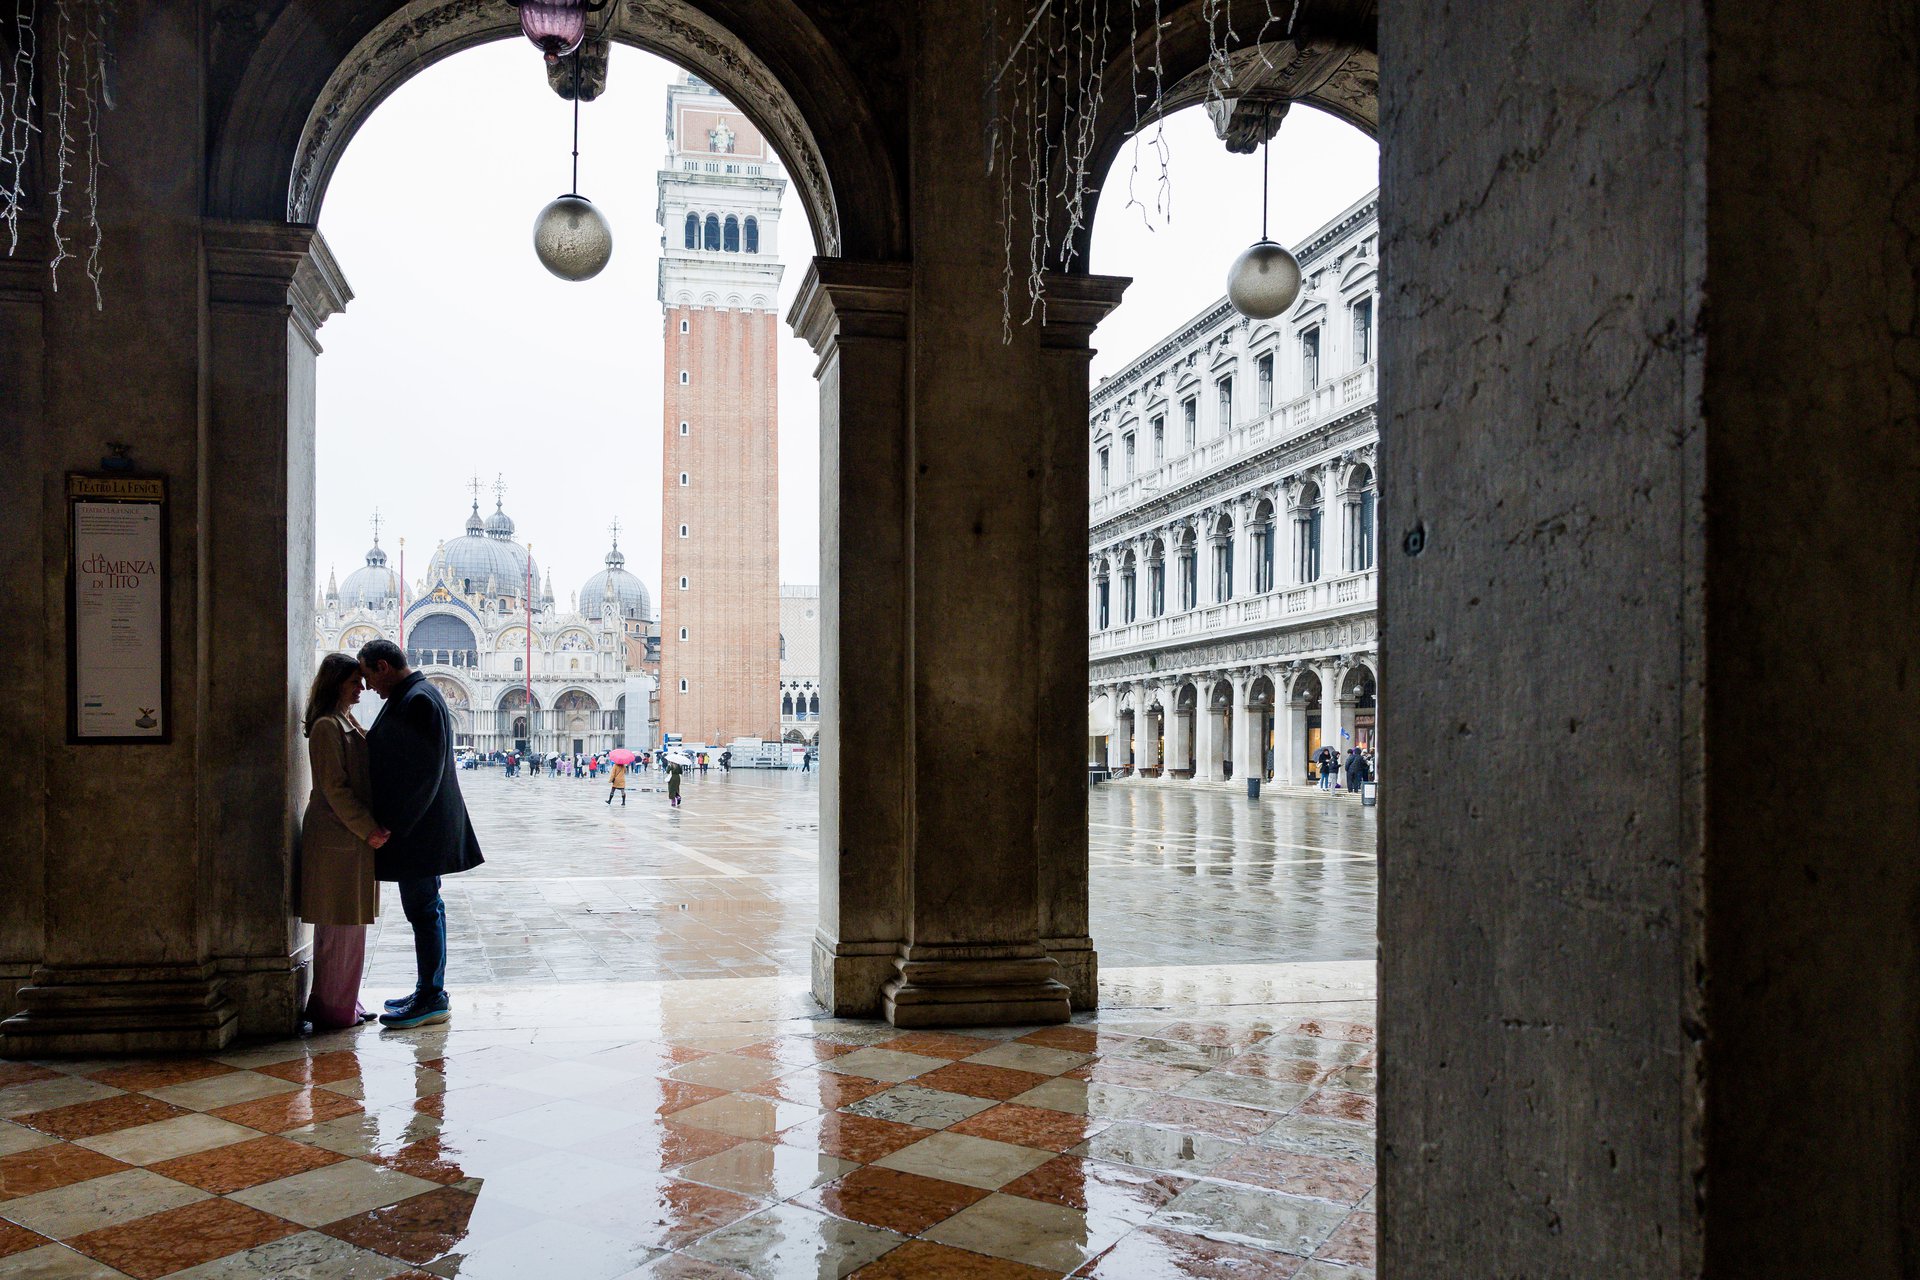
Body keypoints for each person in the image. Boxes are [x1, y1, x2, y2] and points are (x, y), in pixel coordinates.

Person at [357, 638, 484, 1029]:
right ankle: (428, 988)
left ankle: (431, 996)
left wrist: (395, 825)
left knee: (424, 910)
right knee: (426, 909)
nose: (368, 687)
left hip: (419, 831)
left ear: (383, 666)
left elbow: (423, 775)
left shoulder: (420, 700)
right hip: (419, 829)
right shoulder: (413, 695)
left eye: (369, 677)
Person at [297, 653, 388, 1031]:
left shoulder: (344, 720)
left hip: (347, 838)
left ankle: (341, 999)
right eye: (354, 682)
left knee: (348, 926)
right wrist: (368, 828)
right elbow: (334, 788)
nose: (362, 688)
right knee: (339, 927)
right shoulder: (326, 727)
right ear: (335, 683)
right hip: (338, 838)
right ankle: (334, 1009)